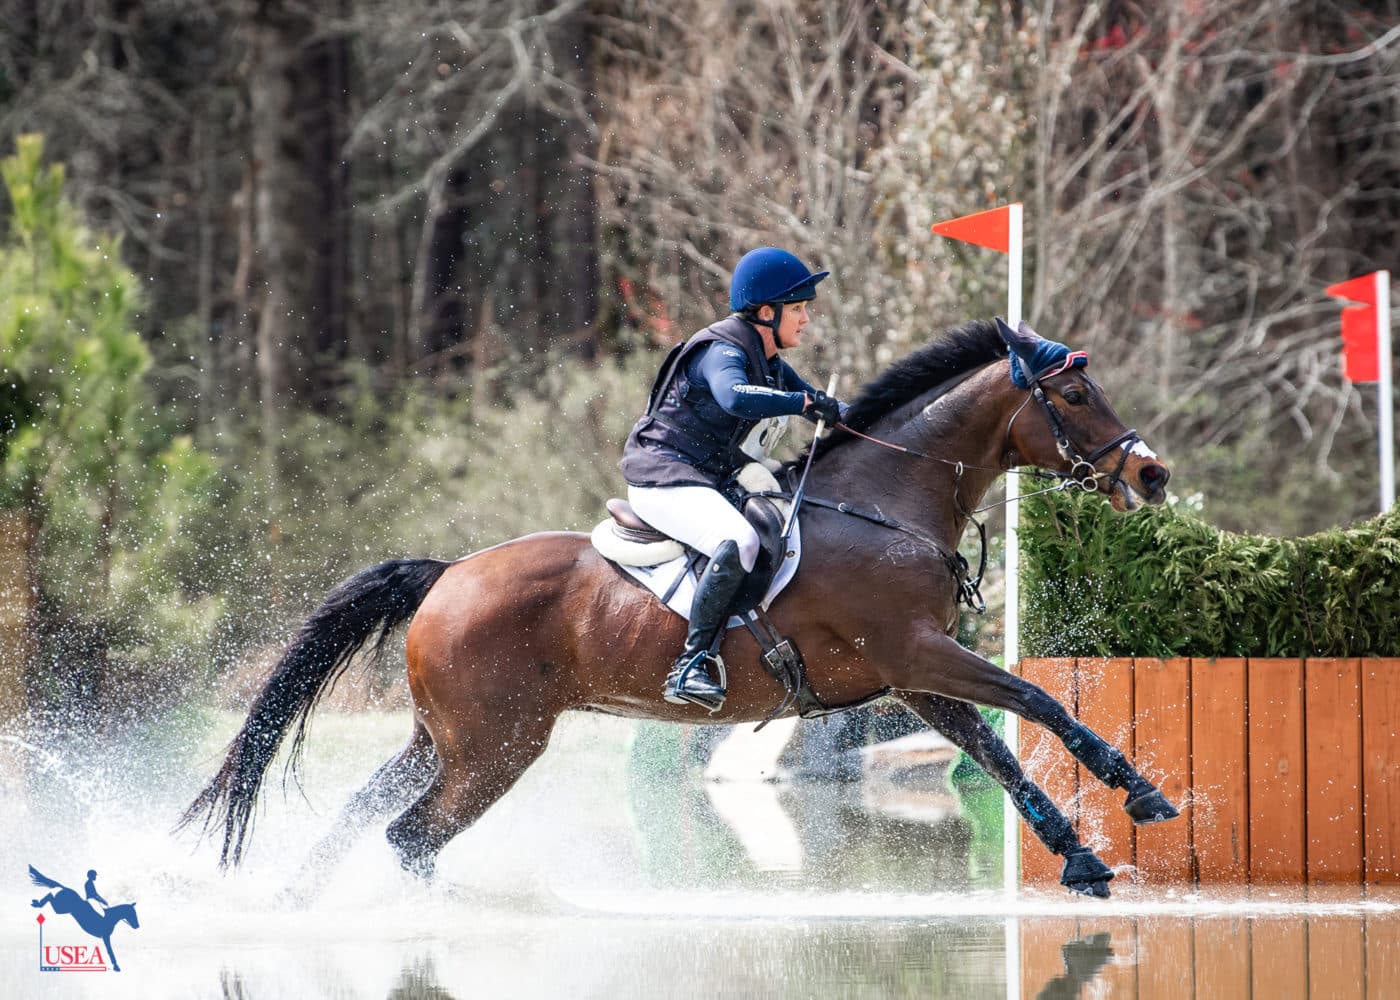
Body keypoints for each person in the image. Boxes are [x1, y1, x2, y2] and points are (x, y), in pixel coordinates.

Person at [620, 247, 848, 710]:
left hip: (701, 477)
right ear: (766, 313)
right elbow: (735, 397)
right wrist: (801, 404)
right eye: (798, 309)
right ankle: (691, 664)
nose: (805, 319)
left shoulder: (768, 359)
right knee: (739, 540)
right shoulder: (720, 350)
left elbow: (817, 402)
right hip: (661, 476)